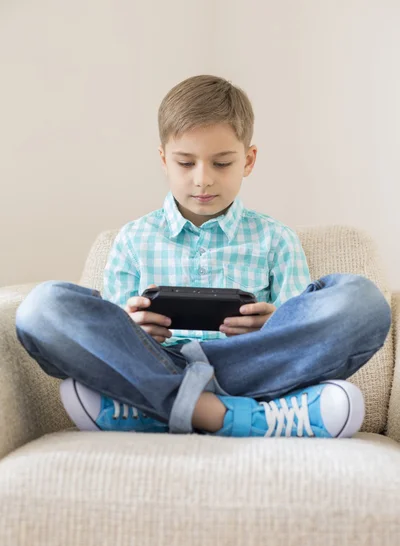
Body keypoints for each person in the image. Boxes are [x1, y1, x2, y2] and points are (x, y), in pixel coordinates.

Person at [15, 74, 391, 438]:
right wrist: (132, 328)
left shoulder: (276, 239)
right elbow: (111, 337)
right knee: (42, 308)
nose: (202, 178)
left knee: (364, 301)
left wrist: (271, 324)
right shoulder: (132, 239)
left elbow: (297, 329)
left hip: (248, 367)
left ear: (248, 160)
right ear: (163, 160)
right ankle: (230, 415)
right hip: (155, 363)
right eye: (185, 162)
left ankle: (153, 410)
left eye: (222, 163)